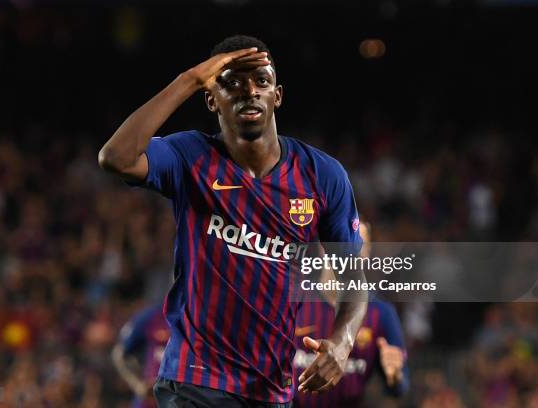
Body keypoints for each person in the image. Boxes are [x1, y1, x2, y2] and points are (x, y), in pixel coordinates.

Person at [99, 35, 366, 407]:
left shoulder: (322, 176)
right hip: (193, 379)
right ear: (211, 98)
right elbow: (116, 156)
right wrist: (190, 79)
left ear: (278, 95)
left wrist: (341, 342)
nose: (249, 91)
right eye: (231, 83)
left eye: (261, 80)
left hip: (269, 390)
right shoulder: (189, 155)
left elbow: (355, 282)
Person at [293, 222, 409, 407]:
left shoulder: (382, 313)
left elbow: (398, 388)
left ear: (368, 253)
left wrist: (395, 376)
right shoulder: (294, 299)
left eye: (360, 244)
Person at [112, 304, 170, 408]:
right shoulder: (152, 316)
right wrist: (138, 385)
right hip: (148, 401)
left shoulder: (197, 319)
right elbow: (119, 353)